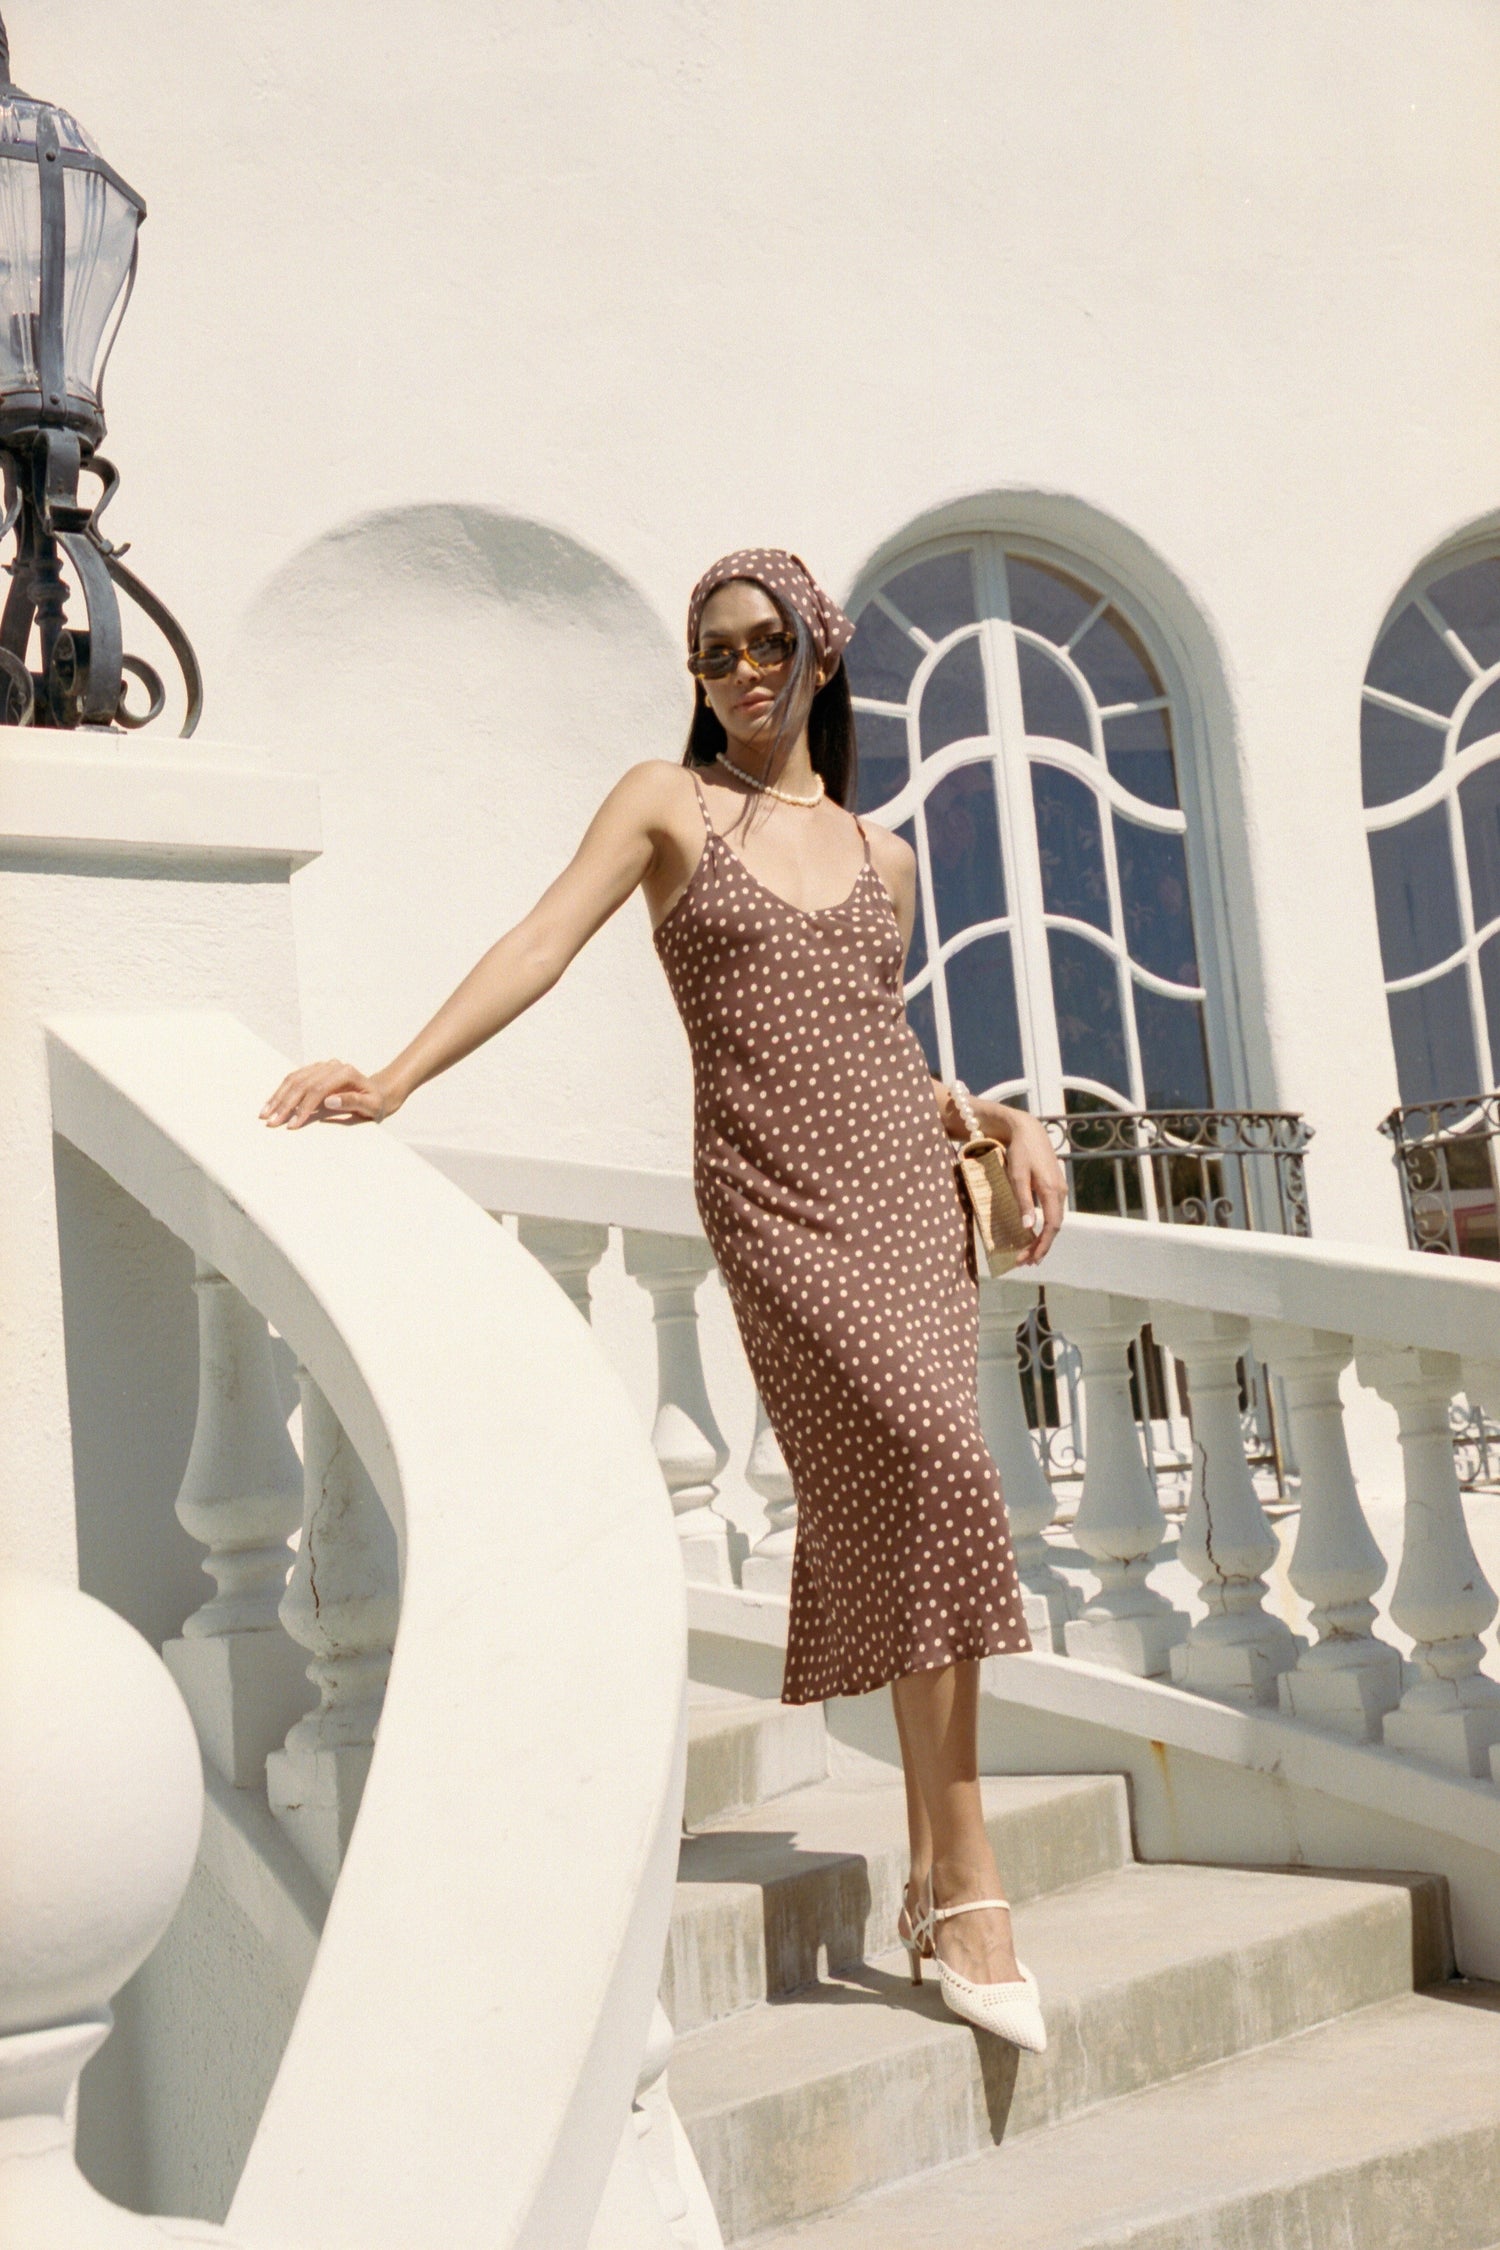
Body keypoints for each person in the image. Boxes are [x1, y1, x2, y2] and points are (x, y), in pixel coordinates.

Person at [262, 548, 1067, 2051]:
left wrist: (996, 1116)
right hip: (775, 1210)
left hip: (903, 1191)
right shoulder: (663, 801)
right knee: (931, 1470)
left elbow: (865, 1038)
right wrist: (392, 1074)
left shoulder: (885, 856)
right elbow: (542, 942)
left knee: (923, 1491)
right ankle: (965, 1884)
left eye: (768, 644)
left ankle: (950, 1877)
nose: (742, 673)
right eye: (713, 654)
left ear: (821, 654)